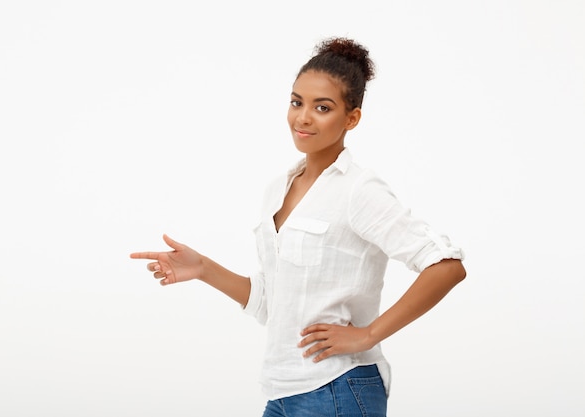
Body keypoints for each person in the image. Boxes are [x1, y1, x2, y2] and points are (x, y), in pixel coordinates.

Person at [130, 37, 466, 417]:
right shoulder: (278, 190)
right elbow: (275, 305)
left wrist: (368, 334)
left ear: (351, 118)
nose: (303, 118)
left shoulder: (359, 190)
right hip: (283, 391)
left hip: (338, 387)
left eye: (322, 107)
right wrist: (203, 269)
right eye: (296, 102)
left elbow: (446, 266)